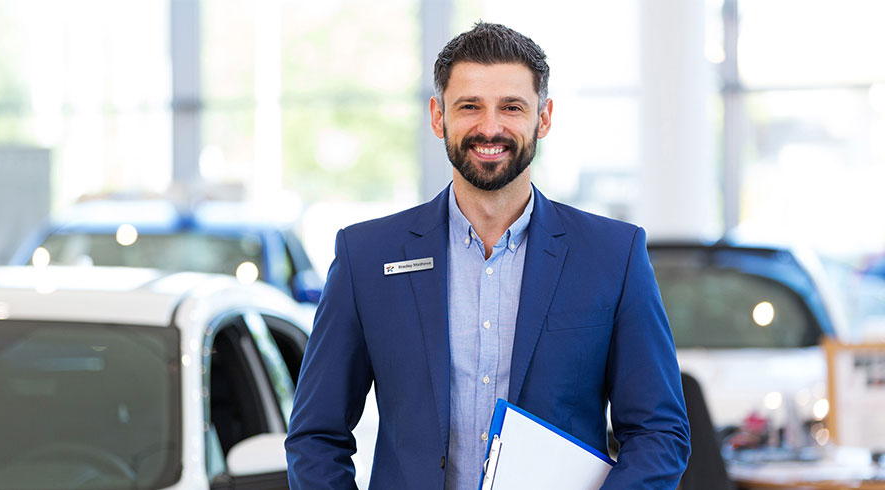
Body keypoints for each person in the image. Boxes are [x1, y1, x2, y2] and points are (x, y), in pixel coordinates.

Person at [285, 22, 690, 489]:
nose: (490, 127)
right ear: (439, 116)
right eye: (470, 106)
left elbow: (660, 434)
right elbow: (315, 436)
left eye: (512, 107)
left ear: (544, 117)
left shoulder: (613, 256)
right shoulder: (366, 257)